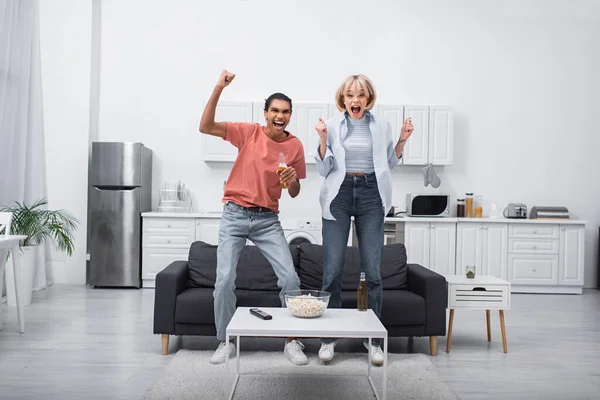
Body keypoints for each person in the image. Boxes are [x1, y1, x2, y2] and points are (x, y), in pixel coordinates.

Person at [199, 70, 308, 365]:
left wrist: (292, 178)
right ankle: (225, 340)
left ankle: (292, 340)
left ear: (290, 116)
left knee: (289, 278)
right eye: (275, 110)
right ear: (266, 113)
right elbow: (205, 126)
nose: (280, 116)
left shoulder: (295, 146)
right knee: (223, 281)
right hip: (234, 214)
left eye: (285, 112)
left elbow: (295, 191)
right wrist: (218, 87)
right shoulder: (249, 132)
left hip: (267, 219)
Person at [314, 74, 414, 365]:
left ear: (368, 99)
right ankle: (328, 339)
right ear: (342, 99)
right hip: (340, 194)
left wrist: (402, 140)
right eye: (349, 95)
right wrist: (322, 139)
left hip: (372, 194)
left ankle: (373, 341)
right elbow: (324, 168)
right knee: (332, 271)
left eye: (360, 95)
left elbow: (389, 164)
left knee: (373, 273)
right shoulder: (331, 126)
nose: (354, 100)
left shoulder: (382, 126)